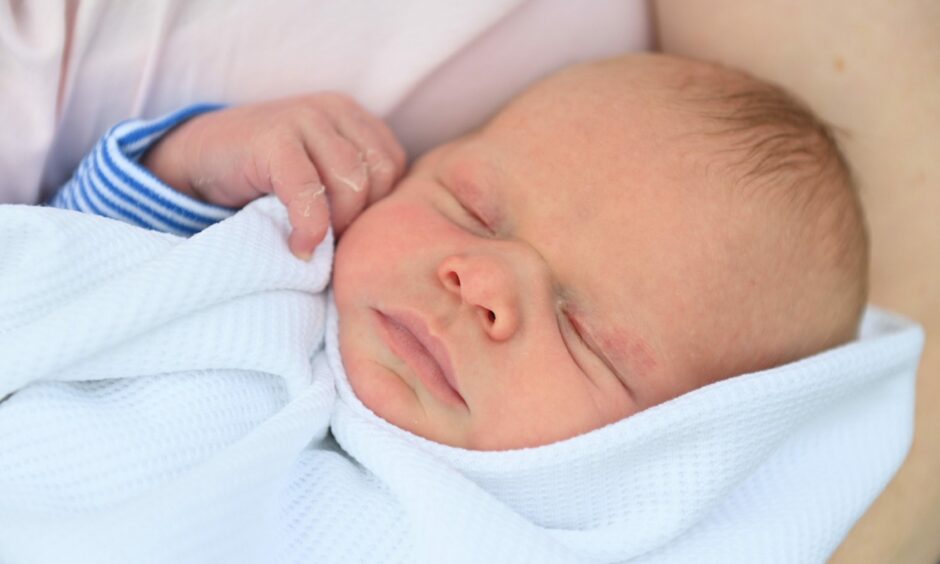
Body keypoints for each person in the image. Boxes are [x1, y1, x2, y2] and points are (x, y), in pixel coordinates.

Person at [47, 53, 867, 450]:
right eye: (473, 211)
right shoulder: (284, 267)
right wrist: (185, 168)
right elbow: (59, 291)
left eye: (586, 335)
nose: (480, 282)